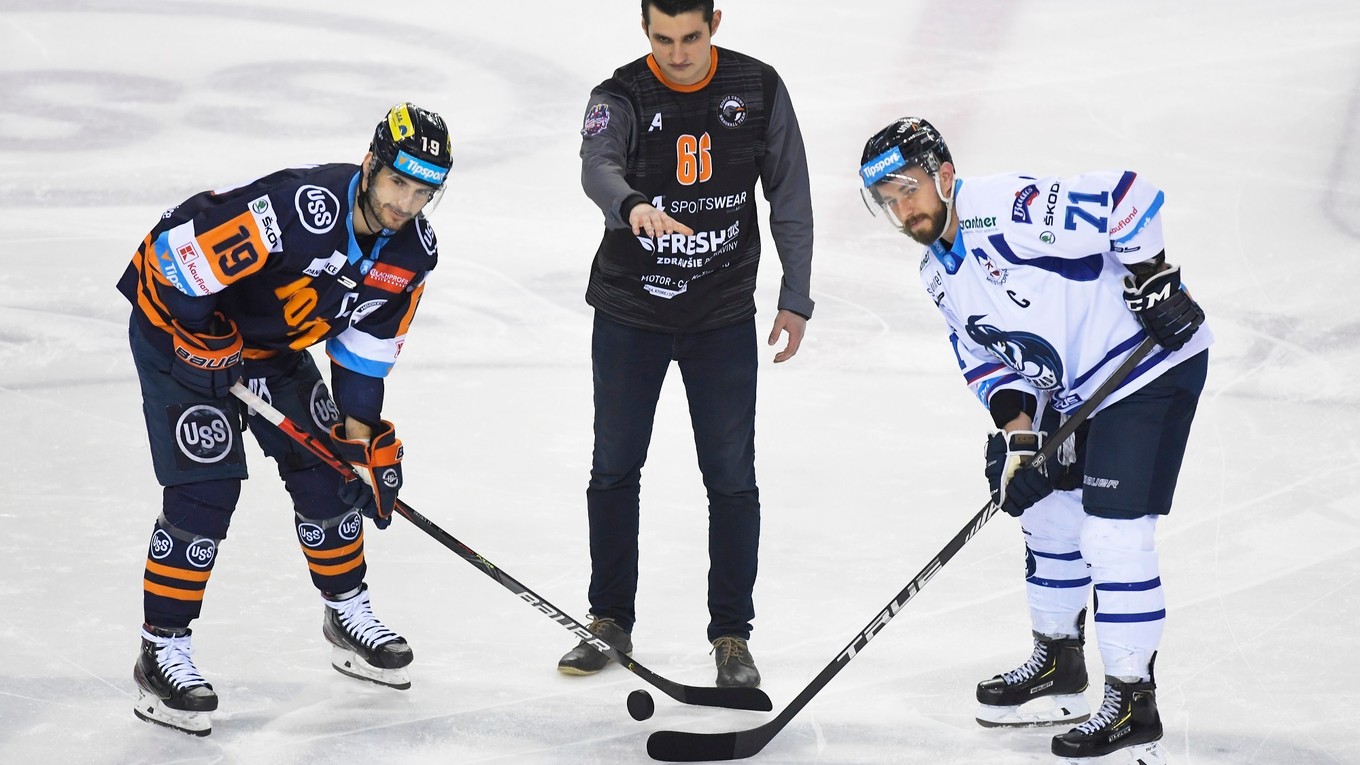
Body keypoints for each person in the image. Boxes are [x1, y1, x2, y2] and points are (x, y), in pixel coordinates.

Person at [858, 117, 1209, 763]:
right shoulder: (936, 275)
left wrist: (1153, 276)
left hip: (1147, 368)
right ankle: (1060, 663)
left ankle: (1134, 701)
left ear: (943, 174)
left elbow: (1128, 196)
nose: (902, 209)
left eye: (907, 188)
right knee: (1044, 506)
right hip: (1074, 391)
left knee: (1112, 533)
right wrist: (1021, 438)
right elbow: (986, 359)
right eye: (888, 199)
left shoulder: (1004, 209)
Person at [117, 103, 453, 735]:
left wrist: (360, 445)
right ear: (371, 165)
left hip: (269, 350)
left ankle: (347, 612)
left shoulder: (410, 255)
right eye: (397, 183)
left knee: (330, 473)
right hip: (176, 329)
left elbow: (361, 359)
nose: (406, 203)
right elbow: (174, 260)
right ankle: (161, 649)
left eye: (423, 191)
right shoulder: (299, 210)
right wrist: (197, 341)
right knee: (206, 489)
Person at [558, 0, 814, 688]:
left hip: (722, 313)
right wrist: (632, 205)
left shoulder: (757, 89)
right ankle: (609, 619)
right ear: (645, 30)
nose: (677, 53)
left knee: (732, 477)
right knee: (613, 467)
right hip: (629, 313)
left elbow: (790, 192)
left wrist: (796, 294)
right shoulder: (619, 95)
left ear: (716, 24)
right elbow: (596, 164)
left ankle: (732, 634)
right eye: (663, 38)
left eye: (691, 37)